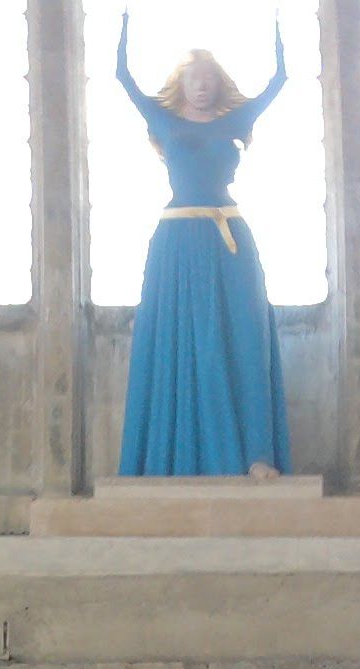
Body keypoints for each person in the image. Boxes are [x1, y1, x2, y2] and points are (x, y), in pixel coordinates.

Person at [115, 10, 291, 479]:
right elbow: (122, 77)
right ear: (183, 82)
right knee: (177, 343)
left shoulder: (235, 119)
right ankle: (169, 459)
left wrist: (278, 21)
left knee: (246, 337)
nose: (201, 86)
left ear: (218, 84)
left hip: (229, 240)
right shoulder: (164, 119)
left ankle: (256, 456)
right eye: (194, 78)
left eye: (209, 79)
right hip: (176, 242)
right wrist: (124, 18)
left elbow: (280, 80)